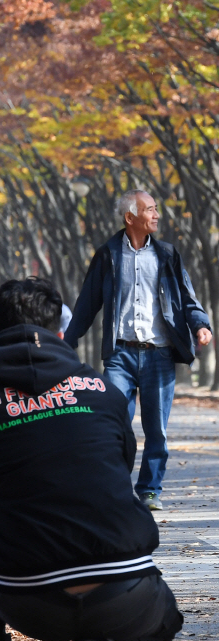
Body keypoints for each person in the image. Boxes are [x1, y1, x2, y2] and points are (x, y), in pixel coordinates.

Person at [0, 277, 183, 641]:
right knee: (166, 620)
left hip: (29, 600)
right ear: (58, 331)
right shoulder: (104, 391)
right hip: (126, 595)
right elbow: (118, 471)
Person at [65, 189, 212, 510]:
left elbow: (187, 298)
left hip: (159, 354)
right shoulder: (107, 255)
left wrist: (201, 324)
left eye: (156, 209)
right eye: (150, 210)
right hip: (120, 356)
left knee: (156, 428)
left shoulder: (167, 255)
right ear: (131, 218)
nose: (157, 215)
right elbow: (87, 303)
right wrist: (67, 343)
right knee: (114, 422)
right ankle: (116, 487)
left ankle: (149, 490)